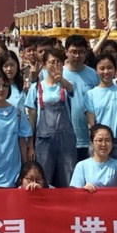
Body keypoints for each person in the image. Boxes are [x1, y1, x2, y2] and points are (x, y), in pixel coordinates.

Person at [27, 45, 78, 188]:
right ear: (44, 65)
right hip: (43, 140)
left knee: (68, 177)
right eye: (51, 62)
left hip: (66, 139)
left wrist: (60, 79)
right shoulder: (36, 88)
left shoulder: (66, 85)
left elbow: (71, 90)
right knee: (43, 178)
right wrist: (30, 145)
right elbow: (31, 118)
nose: (55, 65)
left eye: (58, 62)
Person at [62, 35, 99, 162]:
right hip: (66, 137)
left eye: (81, 52)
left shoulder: (93, 74)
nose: (77, 56)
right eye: (73, 52)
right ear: (66, 52)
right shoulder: (59, 75)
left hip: (89, 137)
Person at [70, 125, 117, 191]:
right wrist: (83, 189)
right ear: (92, 143)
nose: (104, 144)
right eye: (99, 140)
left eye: (107, 140)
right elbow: (75, 192)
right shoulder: (82, 166)